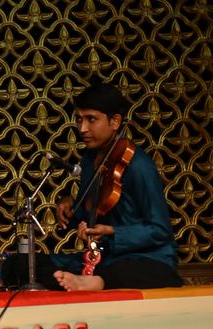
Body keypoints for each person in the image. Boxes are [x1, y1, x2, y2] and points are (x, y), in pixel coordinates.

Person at [48, 82, 183, 291]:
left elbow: (160, 230)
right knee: (28, 265)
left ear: (115, 121)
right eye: (79, 120)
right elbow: (89, 213)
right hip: (106, 257)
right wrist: (72, 211)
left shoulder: (138, 165)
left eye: (91, 119)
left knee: (123, 272)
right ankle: (93, 279)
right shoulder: (89, 160)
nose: (82, 129)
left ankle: (98, 281)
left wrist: (113, 232)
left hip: (146, 260)